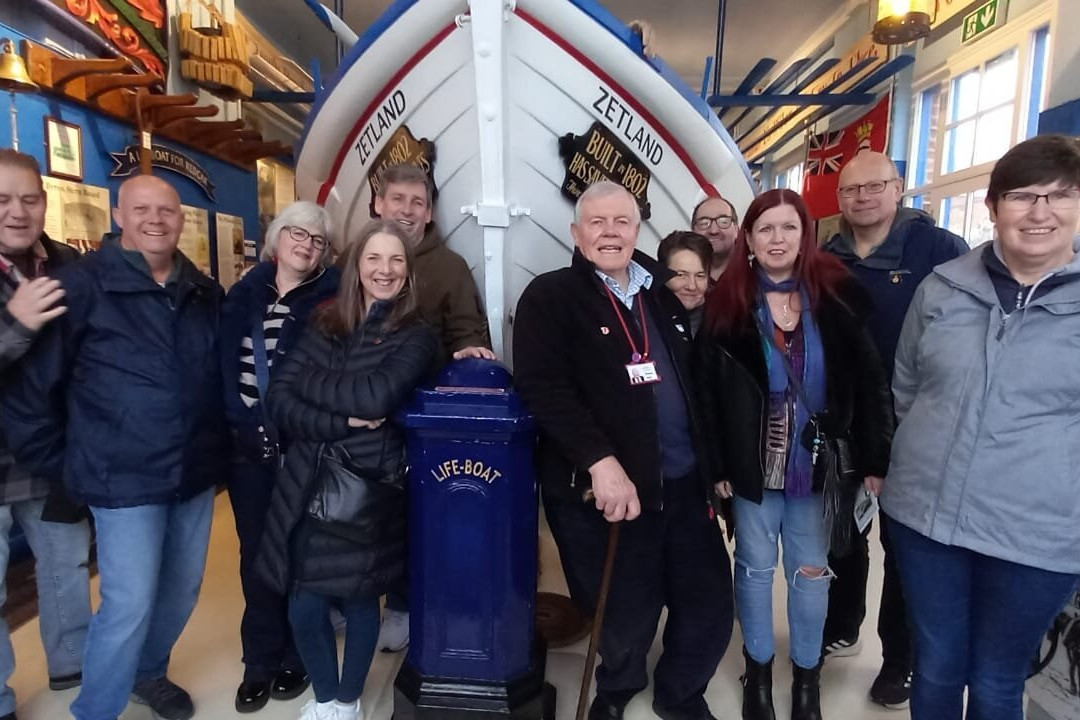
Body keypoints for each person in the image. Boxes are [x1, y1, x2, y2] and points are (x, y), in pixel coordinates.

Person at [0, 174, 229, 720]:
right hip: (121, 482)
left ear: (181, 220)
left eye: (168, 210)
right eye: (142, 209)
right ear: (118, 216)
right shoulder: (79, 287)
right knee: (127, 603)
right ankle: (96, 709)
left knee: (181, 592)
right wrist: (70, 465)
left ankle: (149, 673)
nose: (156, 219)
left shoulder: (201, 291)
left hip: (193, 473)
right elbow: (31, 397)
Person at [514, 181, 733, 720]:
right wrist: (600, 462)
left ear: (638, 231)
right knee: (620, 611)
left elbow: (700, 380)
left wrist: (719, 468)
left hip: (684, 483)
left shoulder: (664, 291)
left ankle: (681, 691)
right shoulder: (550, 296)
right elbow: (545, 389)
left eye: (622, 222)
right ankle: (619, 682)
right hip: (602, 492)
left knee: (707, 603)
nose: (611, 233)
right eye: (597, 223)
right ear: (577, 232)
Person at [881, 134, 1080, 720]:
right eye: (1021, 196)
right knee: (938, 666)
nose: (1039, 212)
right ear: (993, 208)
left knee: (997, 679)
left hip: (1035, 534)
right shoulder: (943, 287)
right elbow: (906, 387)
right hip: (926, 520)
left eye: (1059, 195)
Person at [695, 188, 893, 720]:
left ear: (806, 236)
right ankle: (757, 670)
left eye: (789, 227)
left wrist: (876, 460)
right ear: (750, 241)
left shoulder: (838, 300)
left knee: (810, 574)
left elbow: (871, 383)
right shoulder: (727, 304)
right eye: (765, 229)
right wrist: (716, 468)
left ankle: (808, 677)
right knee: (755, 571)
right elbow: (706, 396)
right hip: (751, 469)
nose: (777, 238)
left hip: (817, 471)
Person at [255, 219, 437, 720]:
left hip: (364, 488)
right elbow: (279, 399)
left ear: (408, 271)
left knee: (359, 599)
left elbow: (378, 395)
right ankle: (324, 691)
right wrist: (344, 417)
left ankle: (347, 700)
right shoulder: (325, 320)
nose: (385, 269)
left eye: (396, 260)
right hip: (305, 484)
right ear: (357, 266)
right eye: (374, 258)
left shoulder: (416, 333)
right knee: (303, 603)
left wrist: (316, 389)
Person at [820, 150, 968, 709]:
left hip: (915, 423)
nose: (862, 198)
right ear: (839, 200)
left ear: (899, 187)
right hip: (846, 422)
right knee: (844, 533)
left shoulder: (940, 250)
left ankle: (901, 660)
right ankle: (844, 622)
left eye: (874, 186)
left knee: (904, 546)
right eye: (851, 190)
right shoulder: (828, 256)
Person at [221, 201, 340, 713]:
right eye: (298, 233)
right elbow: (221, 364)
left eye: (316, 240)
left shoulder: (332, 298)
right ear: (276, 236)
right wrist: (237, 421)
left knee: (299, 554)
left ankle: (297, 651)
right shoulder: (243, 294)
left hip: (302, 448)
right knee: (255, 556)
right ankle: (260, 658)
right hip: (248, 448)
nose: (306, 244)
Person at [370, 163, 493, 650]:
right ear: (379, 203)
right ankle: (351, 596)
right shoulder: (351, 258)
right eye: (397, 199)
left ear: (430, 212)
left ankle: (402, 602)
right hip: (360, 413)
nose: (406, 209)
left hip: (420, 419)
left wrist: (470, 353)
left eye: (416, 202)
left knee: (413, 513)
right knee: (358, 511)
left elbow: (468, 329)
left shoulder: (449, 267)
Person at [0, 149, 91, 720]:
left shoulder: (67, 268)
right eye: (2, 200)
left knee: (67, 567)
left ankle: (74, 669)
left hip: (52, 458)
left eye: (29, 199)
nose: (17, 211)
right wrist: (17, 326)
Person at [656, 230, 711, 336]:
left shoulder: (723, 325)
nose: (691, 286)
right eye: (681, 275)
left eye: (700, 276)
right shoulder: (647, 320)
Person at [691, 195, 739, 282]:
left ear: (736, 229)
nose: (713, 231)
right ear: (693, 230)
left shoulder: (754, 274)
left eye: (723, 222)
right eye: (704, 223)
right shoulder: (680, 277)